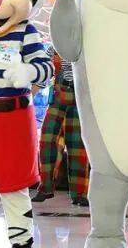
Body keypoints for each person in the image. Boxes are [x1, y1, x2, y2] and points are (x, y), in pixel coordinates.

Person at [32, 43, 89, 206]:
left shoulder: (87, 47)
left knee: (78, 147)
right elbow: (43, 76)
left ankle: (79, 194)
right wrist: (28, 96)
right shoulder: (53, 48)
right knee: (47, 141)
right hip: (57, 100)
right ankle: (45, 188)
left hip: (79, 102)